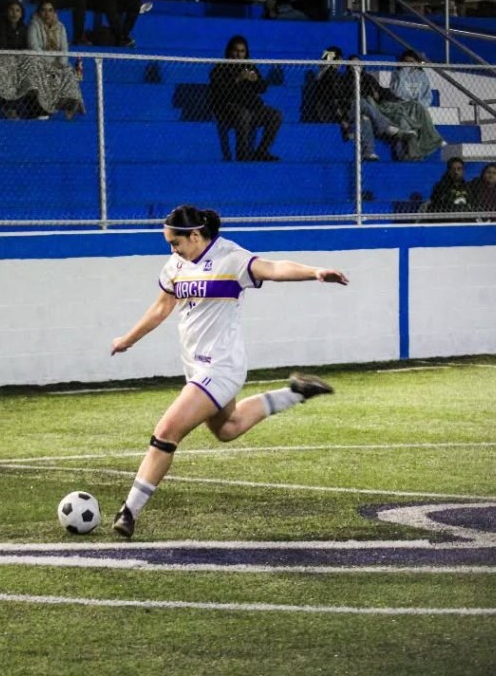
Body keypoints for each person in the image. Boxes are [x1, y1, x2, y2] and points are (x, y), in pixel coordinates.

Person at [108, 205, 349, 538]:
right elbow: (162, 306)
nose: (172, 250)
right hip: (195, 367)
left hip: (221, 367)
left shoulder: (230, 258)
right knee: (228, 428)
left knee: (166, 432)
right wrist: (128, 339)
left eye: (175, 243)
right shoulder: (176, 265)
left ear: (195, 235)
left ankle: (128, 512)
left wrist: (315, 272)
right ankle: (294, 392)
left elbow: (274, 267)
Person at [209, 34, 281, 162]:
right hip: (227, 109)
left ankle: (261, 151)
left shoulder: (249, 66)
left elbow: (262, 88)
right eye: (235, 51)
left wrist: (256, 80)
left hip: (252, 108)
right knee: (244, 114)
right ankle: (242, 155)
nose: (238, 54)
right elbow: (222, 92)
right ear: (229, 51)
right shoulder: (220, 68)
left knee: (275, 115)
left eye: (242, 51)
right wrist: (238, 79)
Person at [375, 48, 444, 161]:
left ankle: (416, 153)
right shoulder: (397, 74)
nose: (408, 65)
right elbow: (397, 93)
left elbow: (427, 96)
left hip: (417, 107)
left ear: (417, 63)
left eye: (411, 63)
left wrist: (419, 106)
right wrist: (403, 73)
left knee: (417, 113)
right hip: (401, 104)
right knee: (404, 124)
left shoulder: (422, 76)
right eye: (405, 63)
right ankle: (406, 155)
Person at [25, 0, 83, 119]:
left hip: (57, 63)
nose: (47, 13)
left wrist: (61, 63)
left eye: (50, 10)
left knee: (68, 72)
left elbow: (64, 49)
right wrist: (50, 63)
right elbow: (34, 47)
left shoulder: (61, 27)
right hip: (40, 63)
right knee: (41, 74)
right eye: (44, 10)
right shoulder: (33, 25)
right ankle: (42, 109)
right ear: (39, 12)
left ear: (54, 12)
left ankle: (70, 108)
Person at [427, 156, 474, 223]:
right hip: (447, 219)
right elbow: (435, 205)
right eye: (453, 169)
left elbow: (471, 203)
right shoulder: (441, 187)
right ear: (449, 170)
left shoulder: (467, 187)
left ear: (463, 171)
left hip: (465, 219)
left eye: (459, 169)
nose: (456, 172)